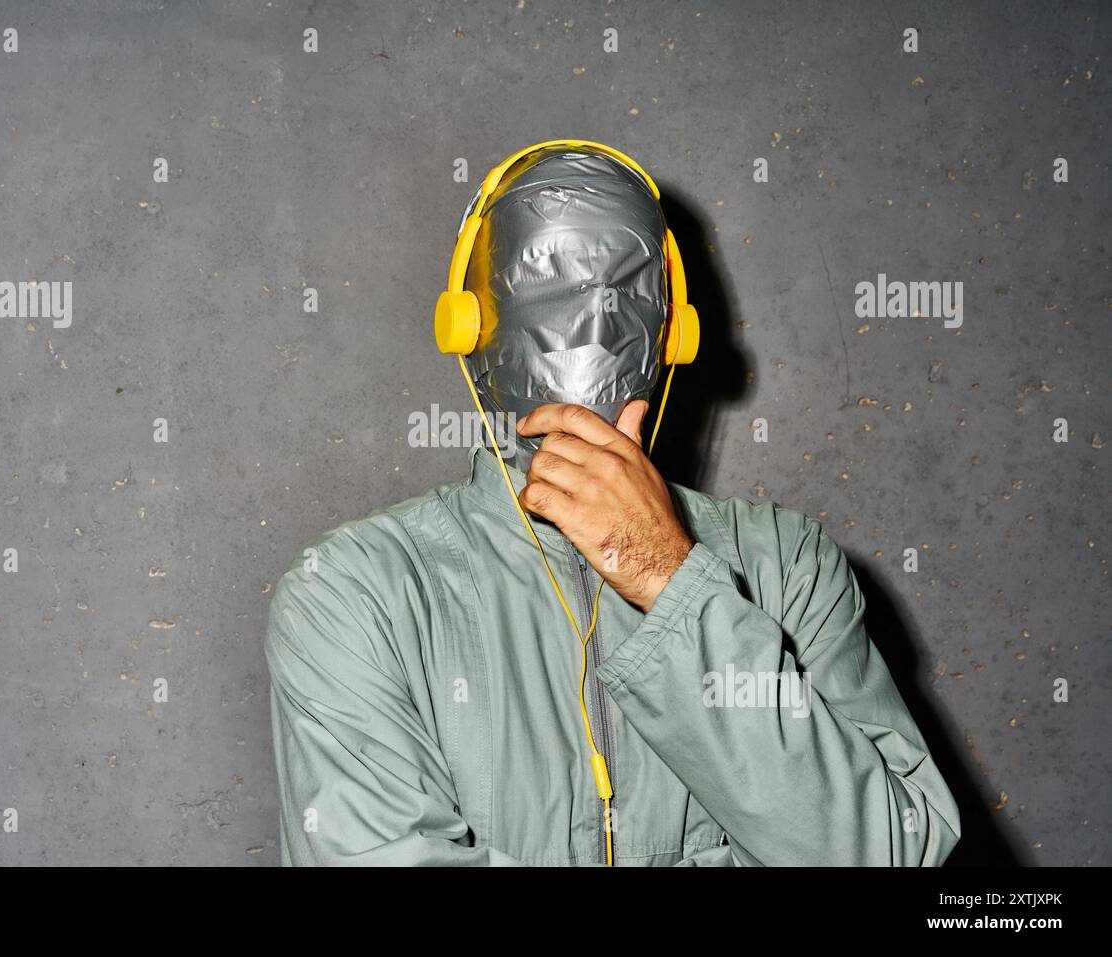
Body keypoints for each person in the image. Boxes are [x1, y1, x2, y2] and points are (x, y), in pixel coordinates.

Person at [264, 141, 961, 866]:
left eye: (627, 287)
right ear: (472, 327)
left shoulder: (788, 567)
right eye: (550, 282)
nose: (596, 324)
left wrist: (669, 579)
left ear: (673, 332)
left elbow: (890, 852)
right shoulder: (351, 592)